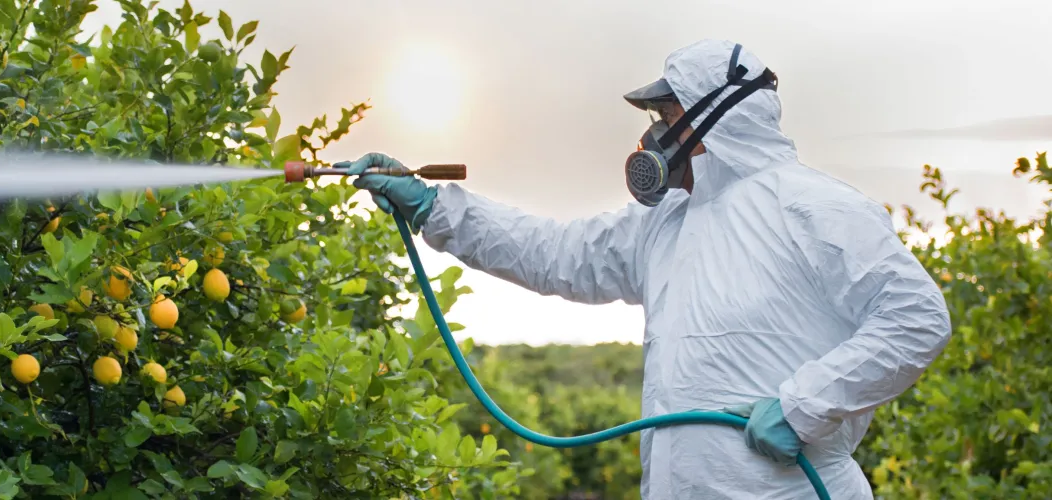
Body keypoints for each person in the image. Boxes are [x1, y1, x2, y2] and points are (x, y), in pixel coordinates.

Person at [344, 39, 952, 499]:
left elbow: (916, 317)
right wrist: (434, 208)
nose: (651, 134)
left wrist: (803, 406)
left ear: (714, 121)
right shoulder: (668, 223)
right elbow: (557, 253)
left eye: (665, 116)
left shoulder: (814, 207)